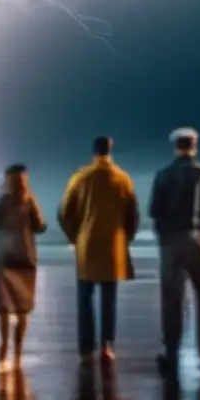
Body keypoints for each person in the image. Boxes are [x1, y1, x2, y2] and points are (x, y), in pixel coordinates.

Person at [148, 128, 200, 379]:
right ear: (195, 146)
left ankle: (171, 354)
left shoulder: (162, 175)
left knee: (172, 299)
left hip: (171, 243)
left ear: (176, 147)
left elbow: (154, 210)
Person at [58, 135, 139, 364]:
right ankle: (107, 346)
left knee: (85, 297)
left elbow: (65, 212)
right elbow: (132, 215)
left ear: (93, 151)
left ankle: (85, 348)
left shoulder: (80, 177)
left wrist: (75, 237)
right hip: (113, 247)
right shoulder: (123, 179)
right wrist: (125, 239)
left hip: (86, 247)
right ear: (110, 150)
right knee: (109, 297)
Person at [0, 164, 47, 371]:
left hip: (10, 257)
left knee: (9, 307)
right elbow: (40, 227)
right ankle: (15, 351)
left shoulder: (9, 201)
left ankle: (8, 348)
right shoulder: (27, 201)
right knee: (19, 308)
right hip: (22, 257)